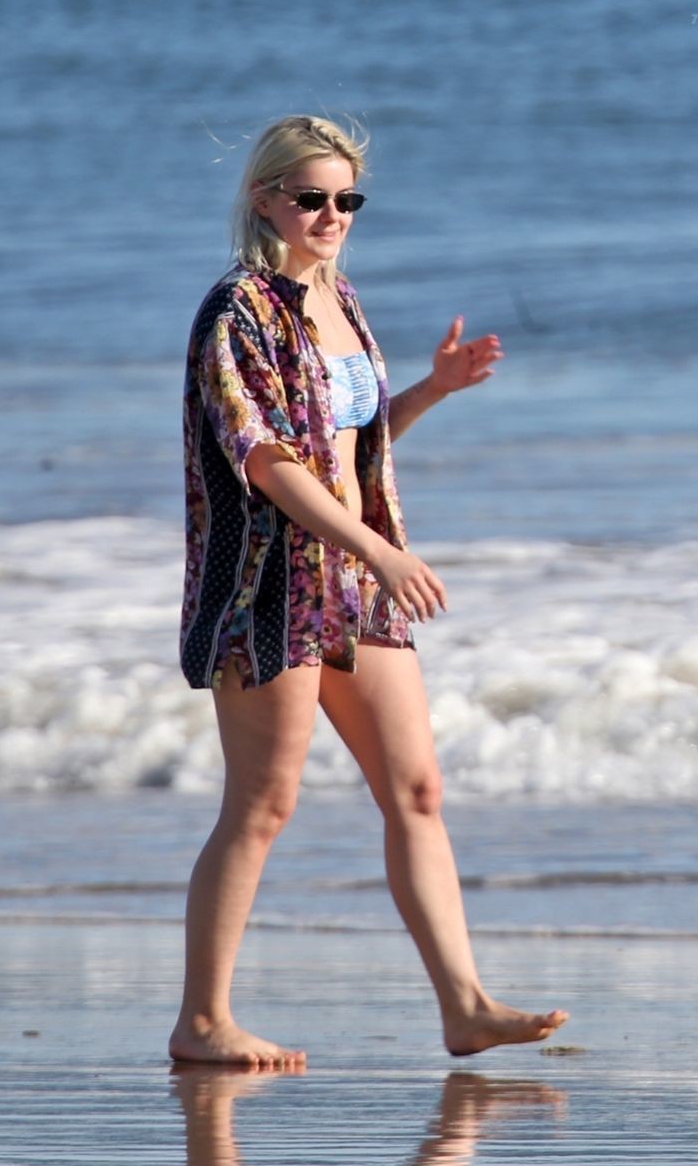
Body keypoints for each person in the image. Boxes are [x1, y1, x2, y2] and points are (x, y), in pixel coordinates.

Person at [171, 114, 567, 1066]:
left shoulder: (339, 297)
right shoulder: (238, 312)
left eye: (347, 199)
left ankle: (465, 1006)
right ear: (265, 199)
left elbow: (349, 444)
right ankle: (203, 1022)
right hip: (270, 584)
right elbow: (266, 459)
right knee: (263, 804)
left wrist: (431, 391)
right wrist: (379, 552)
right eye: (311, 198)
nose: (331, 215)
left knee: (417, 789)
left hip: (354, 579)